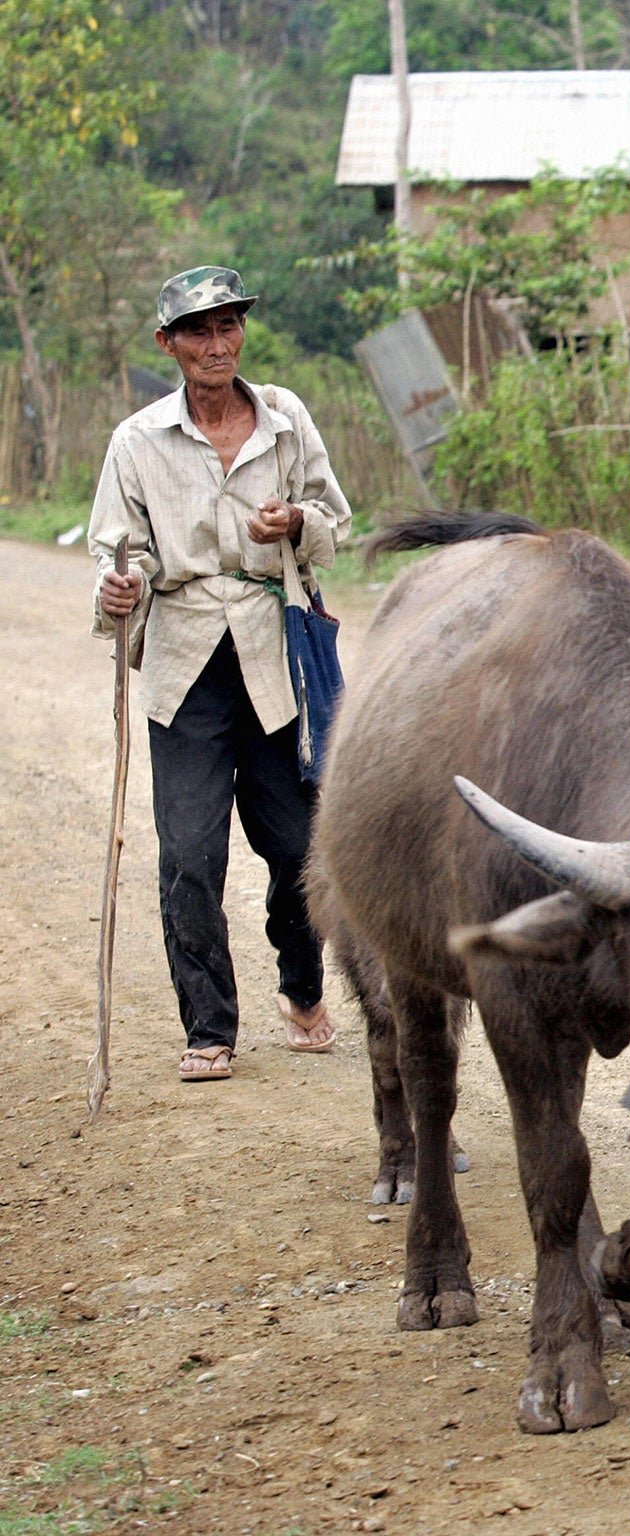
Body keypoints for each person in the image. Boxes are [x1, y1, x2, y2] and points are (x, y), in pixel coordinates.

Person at [89, 266, 352, 1082]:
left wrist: (298, 520)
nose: (217, 344)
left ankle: (302, 988)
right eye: (198, 331)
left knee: (297, 847)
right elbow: (114, 556)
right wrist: (118, 589)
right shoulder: (138, 441)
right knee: (190, 856)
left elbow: (333, 520)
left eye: (229, 325)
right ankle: (209, 1027)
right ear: (167, 344)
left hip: (273, 662)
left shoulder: (285, 418)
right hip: (185, 665)